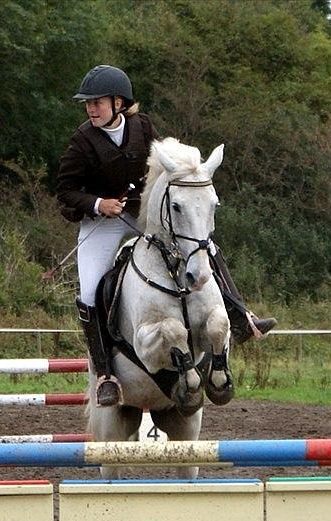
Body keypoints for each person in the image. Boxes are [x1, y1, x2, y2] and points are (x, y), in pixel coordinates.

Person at [56, 65, 276, 407]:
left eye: (96, 102)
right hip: (103, 222)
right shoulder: (83, 140)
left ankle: (240, 316)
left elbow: (163, 163)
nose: (90, 108)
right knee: (89, 291)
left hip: (143, 215)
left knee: (204, 246)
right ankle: (104, 374)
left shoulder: (142, 127)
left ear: (118, 102)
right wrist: (100, 203)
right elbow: (65, 191)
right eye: (88, 103)